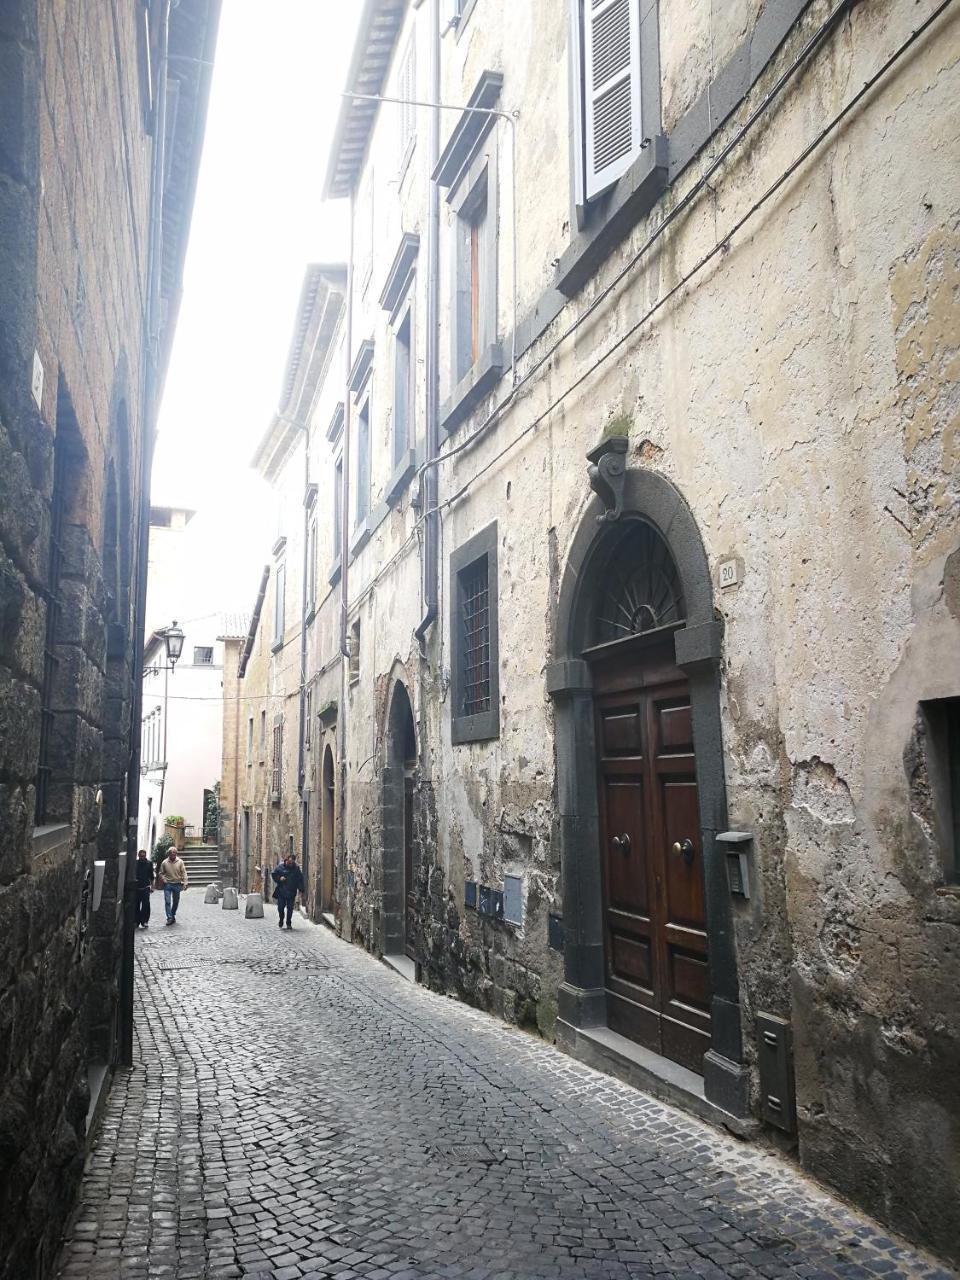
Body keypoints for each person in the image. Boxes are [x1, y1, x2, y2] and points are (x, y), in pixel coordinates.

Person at [271, 853, 304, 930]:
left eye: (292, 862)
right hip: (281, 892)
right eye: (289, 862)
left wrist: (301, 890)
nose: (290, 864)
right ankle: (281, 919)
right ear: (286, 860)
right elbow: (274, 875)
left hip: (291, 891)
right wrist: (279, 878)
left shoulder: (296, 869)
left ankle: (288, 923)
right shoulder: (280, 867)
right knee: (280, 908)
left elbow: (300, 879)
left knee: (290, 908)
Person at [159, 846, 189, 924]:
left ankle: (172, 914)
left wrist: (185, 883)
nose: (173, 854)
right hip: (168, 884)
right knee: (167, 901)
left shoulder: (180, 862)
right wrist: (164, 879)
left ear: (176, 853)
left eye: (174, 853)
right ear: (169, 853)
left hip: (177, 884)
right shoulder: (164, 862)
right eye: (171, 853)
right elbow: (161, 873)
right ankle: (169, 917)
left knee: (176, 902)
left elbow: (184, 872)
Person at [134, 848, 153, 928]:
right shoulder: (135, 863)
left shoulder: (149, 863)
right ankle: (136, 921)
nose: (142, 857)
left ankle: (144, 921)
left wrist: (152, 886)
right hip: (137, 888)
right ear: (138, 856)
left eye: (144, 856)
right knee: (136, 905)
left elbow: (151, 876)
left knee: (146, 905)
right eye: (141, 856)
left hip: (145, 887)